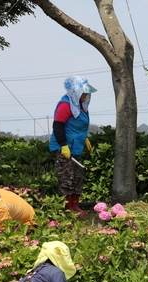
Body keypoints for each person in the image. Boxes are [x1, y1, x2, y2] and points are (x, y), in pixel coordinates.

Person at [48, 76, 96, 216]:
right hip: (63, 149)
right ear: (75, 91)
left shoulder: (81, 106)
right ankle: (67, 209)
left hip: (75, 148)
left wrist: (85, 138)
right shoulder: (65, 105)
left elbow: (79, 126)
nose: (86, 95)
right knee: (67, 178)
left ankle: (75, 206)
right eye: (84, 92)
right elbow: (58, 126)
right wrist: (63, 145)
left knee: (78, 176)